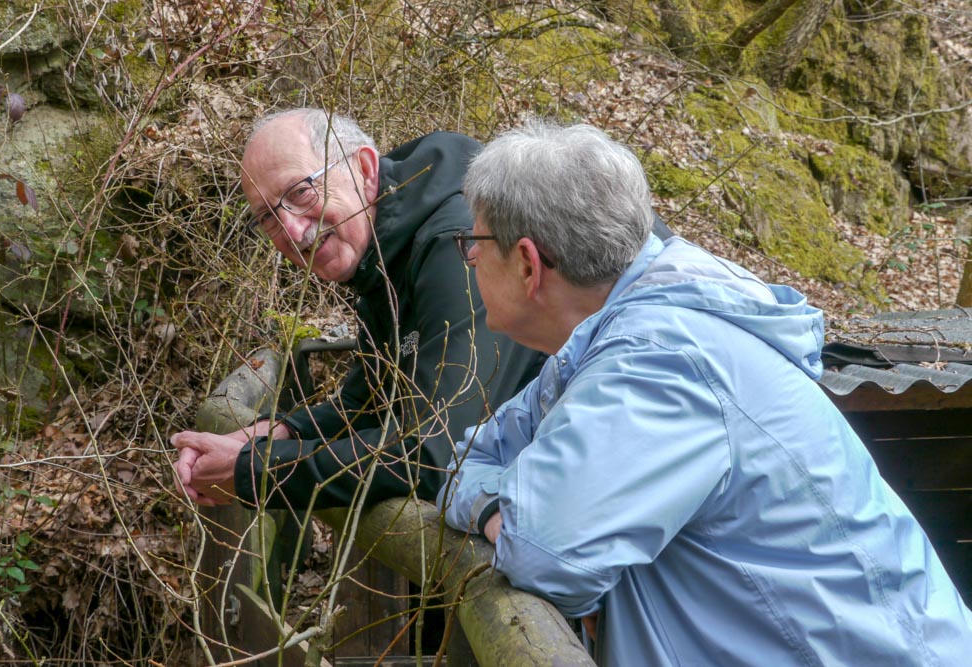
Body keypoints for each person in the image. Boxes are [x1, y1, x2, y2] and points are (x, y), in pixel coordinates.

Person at [437, 121, 972, 665]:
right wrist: (499, 507)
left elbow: (542, 550)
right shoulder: (600, 347)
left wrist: (508, 514)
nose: (471, 259)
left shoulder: (662, 359)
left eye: (474, 243)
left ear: (527, 263)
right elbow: (467, 461)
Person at [170, 109, 547, 510]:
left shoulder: (452, 246)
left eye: (300, 192)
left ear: (365, 170)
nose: (293, 233)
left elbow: (437, 453)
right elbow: (367, 405)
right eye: (268, 217)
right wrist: (275, 433)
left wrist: (253, 472)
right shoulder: (382, 256)